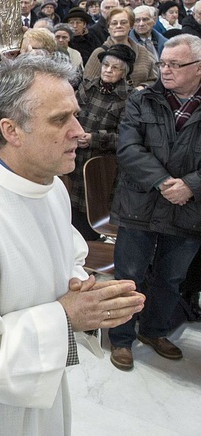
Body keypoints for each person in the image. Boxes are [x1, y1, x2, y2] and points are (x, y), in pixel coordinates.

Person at [0, 54, 144, 436]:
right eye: (59, 119)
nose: (80, 131)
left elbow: (63, 257)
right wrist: (67, 317)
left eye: (75, 115)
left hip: (37, 386)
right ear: (11, 130)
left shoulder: (49, 189)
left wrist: (79, 287)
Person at [108, 34, 201, 371]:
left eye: (175, 65)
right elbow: (128, 149)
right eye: (163, 63)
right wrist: (164, 182)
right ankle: (120, 338)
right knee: (128, 275)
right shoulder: (141, 100)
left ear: (198, 68)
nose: (166, 70)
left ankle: (154, 330)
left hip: (189, 208)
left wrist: (190, 185)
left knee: (171, 277)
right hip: (141, 202)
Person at [68, 44, 135, 240]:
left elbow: (128, 137)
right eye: (106, 65)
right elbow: (68, 115)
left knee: (90, 215)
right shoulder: (86, 87)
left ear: (124, 72)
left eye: (115, 68)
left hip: (101, 167)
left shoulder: (130, 98)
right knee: (68, 211)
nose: (108, 70)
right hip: (74, 157)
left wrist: (95, 139)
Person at [83, 7, 157, 88]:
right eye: (114, 23)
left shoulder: (142, 51)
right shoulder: (99, 53)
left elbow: (153, 80)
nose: (119, 26)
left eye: (123, 22)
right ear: (108, 28)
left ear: (131, 26)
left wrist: (142, 87)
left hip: (140, 99)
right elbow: (87, 84)